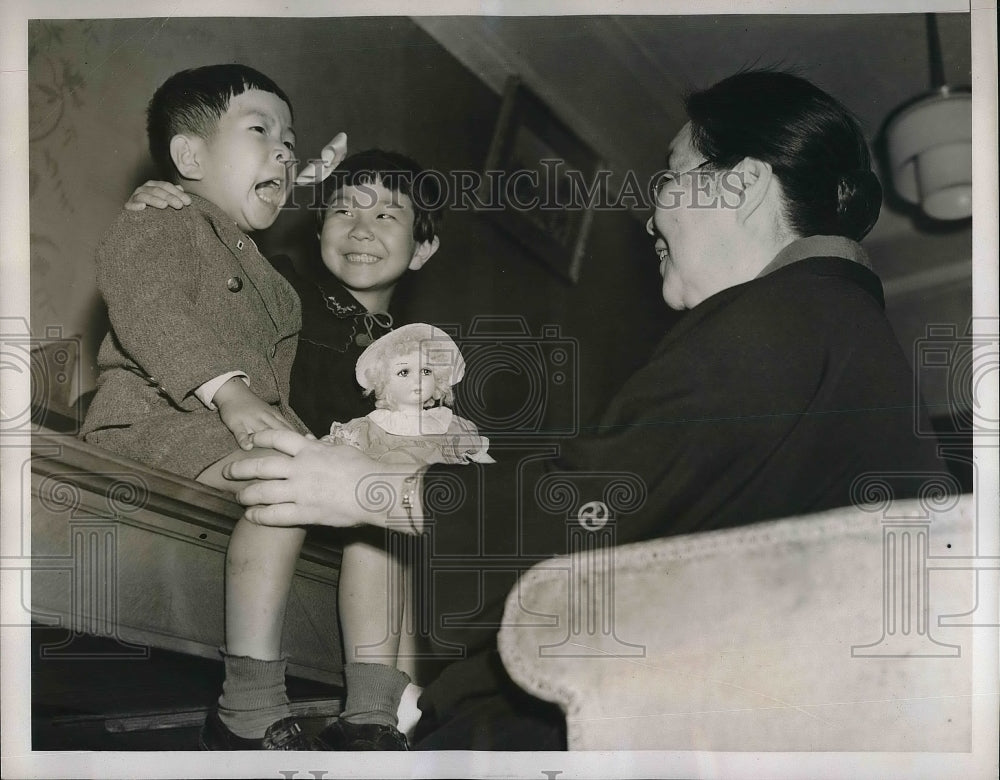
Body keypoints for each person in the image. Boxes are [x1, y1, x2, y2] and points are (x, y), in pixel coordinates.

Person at [223, 69, 951, 750]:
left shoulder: (781, 319)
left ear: (745, 185)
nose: (648, 215)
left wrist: (361, 486)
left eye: (669, 176)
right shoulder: (840, 327)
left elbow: (583, 504)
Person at [124, 149, 444, 749]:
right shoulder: (284, 288)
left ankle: (376, 715)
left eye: (388, 217)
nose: (360, 228)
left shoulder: (414, 359)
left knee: (388, 521)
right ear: (319, 226)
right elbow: (214, 258)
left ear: (423, 249)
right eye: (344, 209)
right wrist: (168, 203)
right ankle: (252, 702)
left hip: (335, 496)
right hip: (272, 464)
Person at [80, 64, 316, 749]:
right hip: (151, 427)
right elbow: (150, 310)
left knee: (343, 492)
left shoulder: (281, 286)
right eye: (259, 130)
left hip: (223, 438)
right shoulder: (160, 219)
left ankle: (375, 706)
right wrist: (231, 391)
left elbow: (278, 400)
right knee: (285, 479)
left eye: (290, 142)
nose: (283, 150)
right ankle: (248, 705)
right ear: (189, 157)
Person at [317, 324, 492, 750]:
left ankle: (408, 697)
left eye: (427, 371)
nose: (417, 381)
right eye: (402, 372)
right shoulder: (366, 428)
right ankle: (381, 701)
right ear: (380, 381)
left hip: (434, 534)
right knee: (380, 558)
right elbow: (327, 462)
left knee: (421, 601)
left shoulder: (453, 428)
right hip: (381, 528)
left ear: (442, 381)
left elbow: (488, 473)